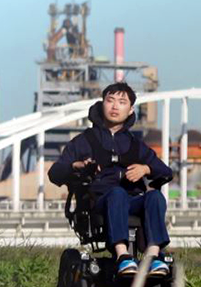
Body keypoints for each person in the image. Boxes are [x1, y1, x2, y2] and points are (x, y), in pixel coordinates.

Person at [48, 82, 174, 276]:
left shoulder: (135, 145)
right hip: (98, 202)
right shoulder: (84, 141)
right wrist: (77, 165)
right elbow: (55, 172)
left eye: (122, 102)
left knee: (155, 197)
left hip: (133, 200)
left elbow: (165, 172)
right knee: (117, 193)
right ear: (102, 104)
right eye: (110, 100)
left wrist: (145, 168)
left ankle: (153, 257)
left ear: (131, 110)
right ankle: (123, 256)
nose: (115, 106)